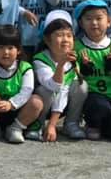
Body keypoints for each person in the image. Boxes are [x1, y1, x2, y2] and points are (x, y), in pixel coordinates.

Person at [74, 0, 111, 142]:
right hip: (93, 97)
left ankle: (104, 124)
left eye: (99, 18)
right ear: (81, 23)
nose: (94, 23)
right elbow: (72, 79)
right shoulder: (77, 46)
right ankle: (93, 124)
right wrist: (84, 71)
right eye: (88, 19)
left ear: (109, 22)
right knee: (99, 105)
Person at [0, 24, 43, 144]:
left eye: (10, 48)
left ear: (18, 50)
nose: (5, 52)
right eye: (0, 47)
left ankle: (15, 129)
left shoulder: (25, 68)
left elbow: (27, 90)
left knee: (37, 101)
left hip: (19, 113)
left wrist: (11, 104)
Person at [32, 11, 85, 141]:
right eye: (60, 35)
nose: (65, 40)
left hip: (61, 105)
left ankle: (71, 123)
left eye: (69, 35)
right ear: (47, 39)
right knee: (45, 90)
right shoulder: (40, 59)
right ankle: (37, 125)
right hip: (43, 104)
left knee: (81, 86)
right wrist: (61, 65)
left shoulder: (72, 61)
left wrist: (52, 125)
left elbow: (63, 91)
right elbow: (54, 86)